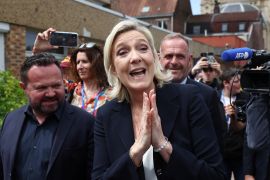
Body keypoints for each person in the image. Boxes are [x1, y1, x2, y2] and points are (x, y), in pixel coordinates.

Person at [92, 20, 225, 179]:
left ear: (155, 58)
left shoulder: (189, 99)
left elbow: (216, 175)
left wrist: (164, 146)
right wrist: (135, 153)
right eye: (123, 52)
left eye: (143, 48)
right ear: (113, 68)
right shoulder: (105, 115)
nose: (135, 57)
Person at [0, 53, 94, 180]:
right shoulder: (10, 120)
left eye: (56, 86)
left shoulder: (85, 123)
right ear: (24, 88)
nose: (50, 93)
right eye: (41, 88)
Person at [159, 33, 226, 152]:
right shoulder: (149, 93)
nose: (174, 62)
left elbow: (218, 140)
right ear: (159, 59)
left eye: (180, 56)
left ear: (189, 60)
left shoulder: (207, 94)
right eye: (169, 56)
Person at [32, 28, 110, 117]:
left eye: (84, 62)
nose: (80, 67)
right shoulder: (71, 89)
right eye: (78, 62)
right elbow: (45, 76)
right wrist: (37, 52)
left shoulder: (113, 93)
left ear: (97, 64)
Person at [219, 68, 246, 180]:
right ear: (226, 83)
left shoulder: (245, 99)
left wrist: (233, 117)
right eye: (236, 81)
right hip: (220, 152)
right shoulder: (213, 97)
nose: (240, 84)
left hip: (239, 153)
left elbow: (241, 126)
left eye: (240, 80)